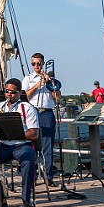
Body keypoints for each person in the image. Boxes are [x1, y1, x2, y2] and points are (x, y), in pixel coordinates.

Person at [0, 78, 39, 207]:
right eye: (7, 91)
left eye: (13, 92)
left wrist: (15, 132)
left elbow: (34, 134)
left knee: (28, 162)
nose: (9, 95)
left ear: (20, 93)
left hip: (22, 145)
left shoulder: (28, 108)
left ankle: (26, 200)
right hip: (4, 146)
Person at [22, 52, 61, 187]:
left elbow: (57, 98)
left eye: (39, 63)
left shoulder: (50, 79)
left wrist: (49, 83)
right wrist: (37, 85)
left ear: (43, 64)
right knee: (31, 145)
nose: (36, 66)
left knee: (48, 146)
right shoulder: (28, 79)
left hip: (47, 113)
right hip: (33, 112)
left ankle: (48, 176)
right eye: (34, 64)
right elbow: (24, 96)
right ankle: (31, 176)